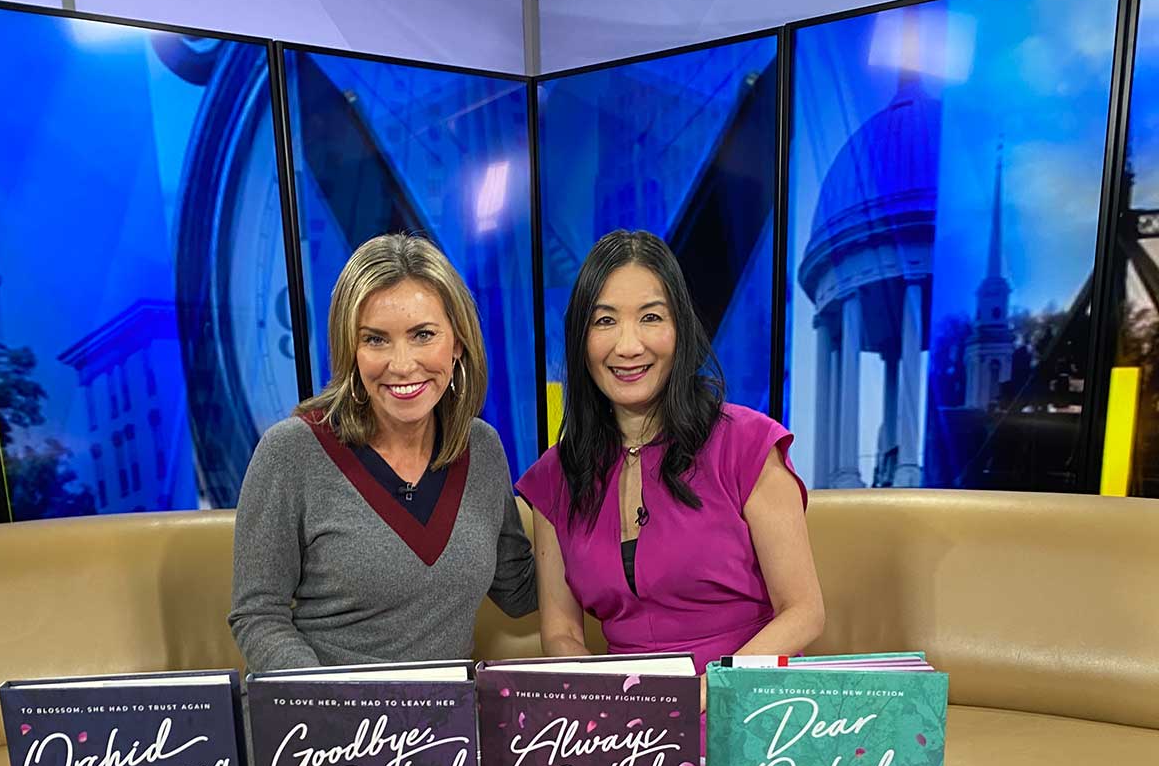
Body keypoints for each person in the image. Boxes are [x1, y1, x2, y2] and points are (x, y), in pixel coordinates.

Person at [517, 229, 824, 694]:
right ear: (581, 339)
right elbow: (561, 634)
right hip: (633, 711)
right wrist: (608, 700)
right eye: (605, 321)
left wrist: (702, 692)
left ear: (680, 329)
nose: (628, 346)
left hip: (748, 698)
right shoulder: (556, 478)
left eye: (650, 317)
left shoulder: (747, 444)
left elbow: (804, 612)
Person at [230, 234, 536, 671]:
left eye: (423, 335)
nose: (402, 364)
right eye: (375, 340)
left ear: (458, 343)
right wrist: (326, 696)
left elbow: (517, 589)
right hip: (323, 708)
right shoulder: (291, 452)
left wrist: (595, 509)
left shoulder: (482, 448)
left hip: (443, 711)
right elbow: (258, 615)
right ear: (351, 350)